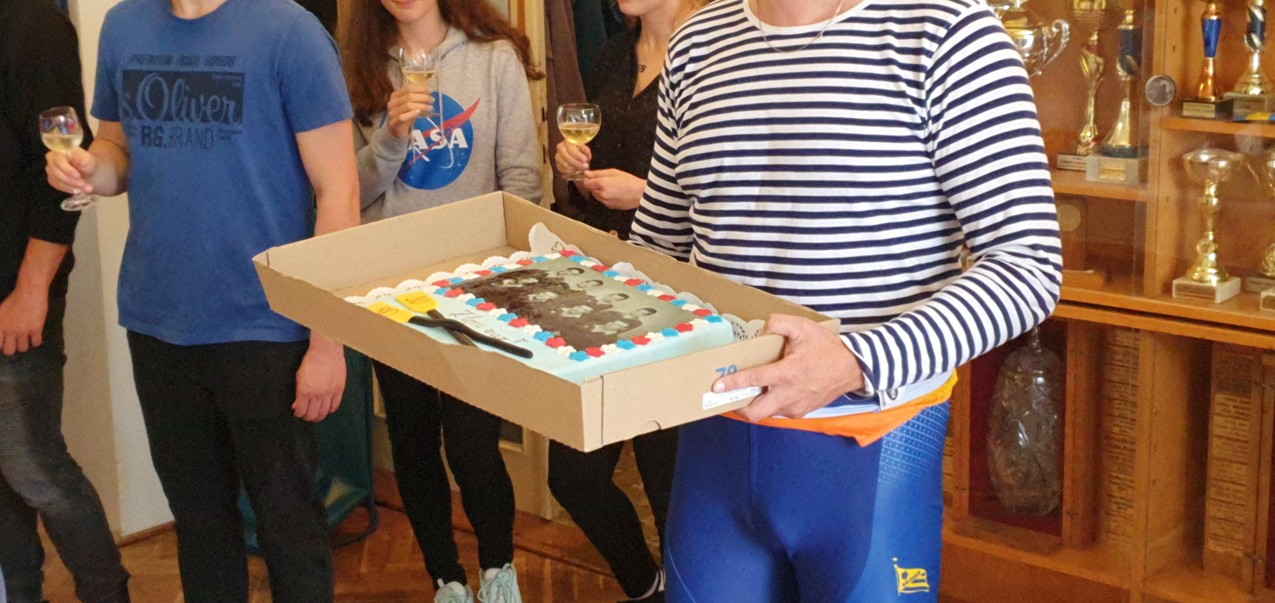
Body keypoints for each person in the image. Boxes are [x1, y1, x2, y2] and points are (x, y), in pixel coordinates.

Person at [627, 0, 1062, 600]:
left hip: (873, 449)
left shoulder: (945, 31)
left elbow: (1028, 264)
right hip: (714, 447)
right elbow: (658, 248)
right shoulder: (696, 42)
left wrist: (859, 360)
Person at [44, 0, 359, 600]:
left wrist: (328, 342)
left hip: (267, 326)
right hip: (157, 320)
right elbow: (117, 151)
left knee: (289, 525)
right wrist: (88, 169)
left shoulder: (291, 31)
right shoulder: (123, 25)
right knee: (200, 523)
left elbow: (338, 194)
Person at [339, 0, 542, 601]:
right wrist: (391, 137)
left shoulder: (492, 58)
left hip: (477, 290)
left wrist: (509, 281)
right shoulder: (360, 70)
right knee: (412, 440)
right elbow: (348, 193)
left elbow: (521, 181)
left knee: (474, 445)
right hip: (393, 290)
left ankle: (499, 572)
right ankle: (446, 579)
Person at [548, 0, 704, 600]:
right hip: (605, 289)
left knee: (671, 490)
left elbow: (725, 191)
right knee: (572, 475)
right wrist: (572, 166)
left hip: (678, 302)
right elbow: (594, 167)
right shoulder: (614, 53)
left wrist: (644, 194)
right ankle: (645, 586)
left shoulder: (715, 51)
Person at [0, 1, 131, 601]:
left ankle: (107, 593)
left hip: (13, 295)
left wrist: (31, 290)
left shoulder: (31, 26)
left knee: (35, 467)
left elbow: (60, 172)